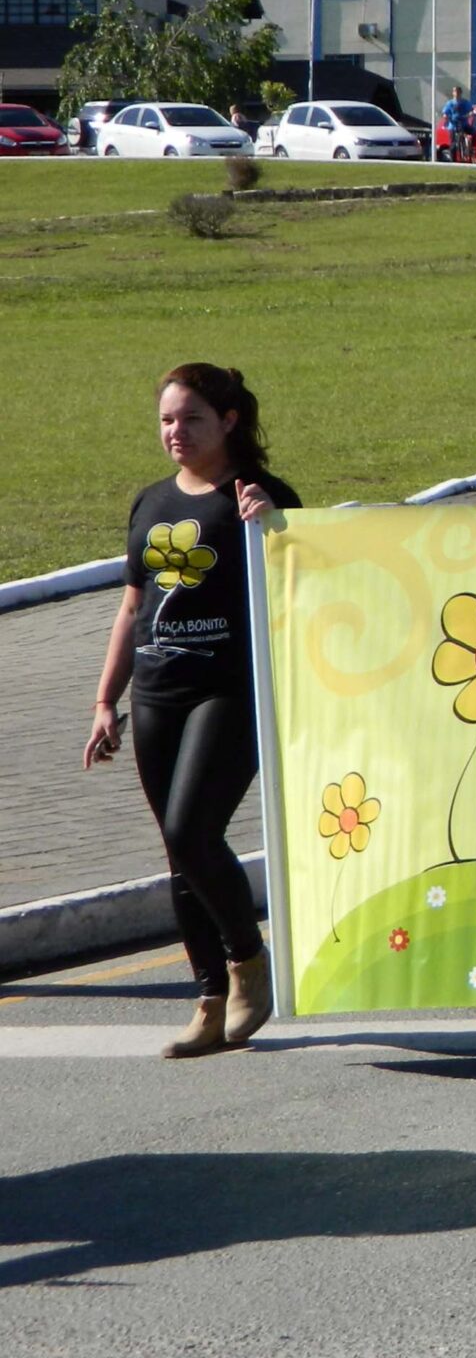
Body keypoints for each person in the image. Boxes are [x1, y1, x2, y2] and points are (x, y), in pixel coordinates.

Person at [87, 364, 300, 1057]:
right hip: (156, 693)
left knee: (193, 827)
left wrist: (273, 526)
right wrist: (104, 700)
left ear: (229, 420)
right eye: (167, 421)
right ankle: (210, 999)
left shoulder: (258, 496)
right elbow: (131, 607)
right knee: (179, 851)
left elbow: (309, 586)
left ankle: (248, 962)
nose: (176, 433)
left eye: (192, 419)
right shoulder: (149, 503)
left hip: (228, 688)